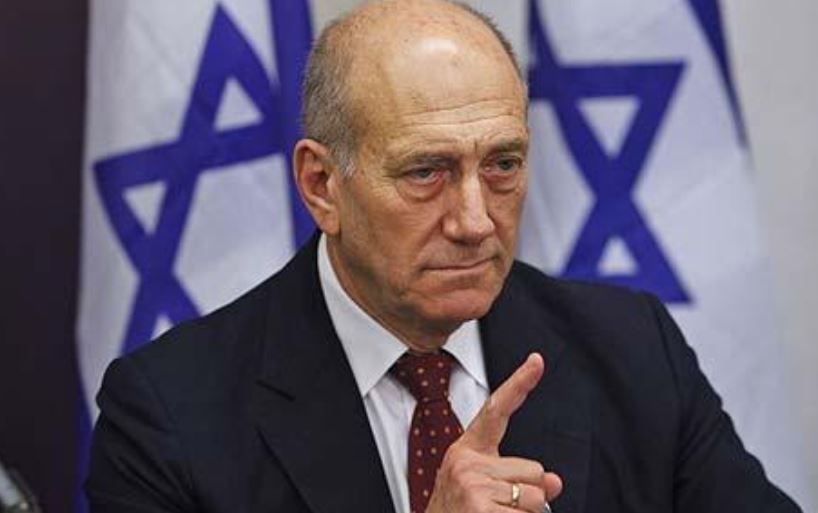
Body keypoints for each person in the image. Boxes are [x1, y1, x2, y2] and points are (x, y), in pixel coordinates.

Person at [86, 1, 802, 512]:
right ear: (321, 185)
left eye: (503, 164)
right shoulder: (171, 413)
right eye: (426, 172)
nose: (475, 220)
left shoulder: (632, 350)